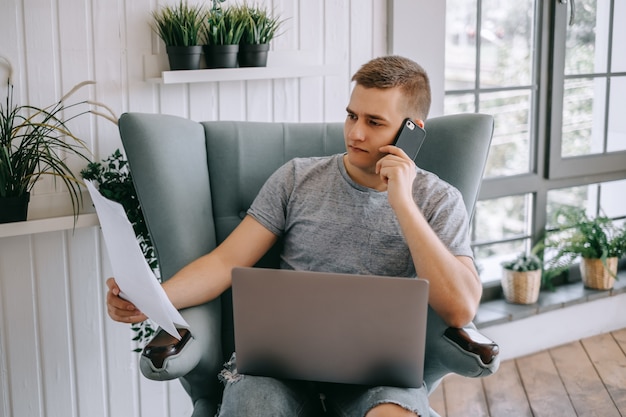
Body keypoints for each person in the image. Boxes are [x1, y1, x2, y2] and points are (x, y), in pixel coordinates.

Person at [106, 55, 482, 417]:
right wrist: (151, 298)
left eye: (374, 122)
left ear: (411, 130)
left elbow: (461, 307)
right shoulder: (296, 178)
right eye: (351, 115)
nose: (355, 132)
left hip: (379, 378)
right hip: (278, 370)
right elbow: (223, 263)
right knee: (253, 405)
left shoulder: (438, 200)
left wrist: (403, 202)